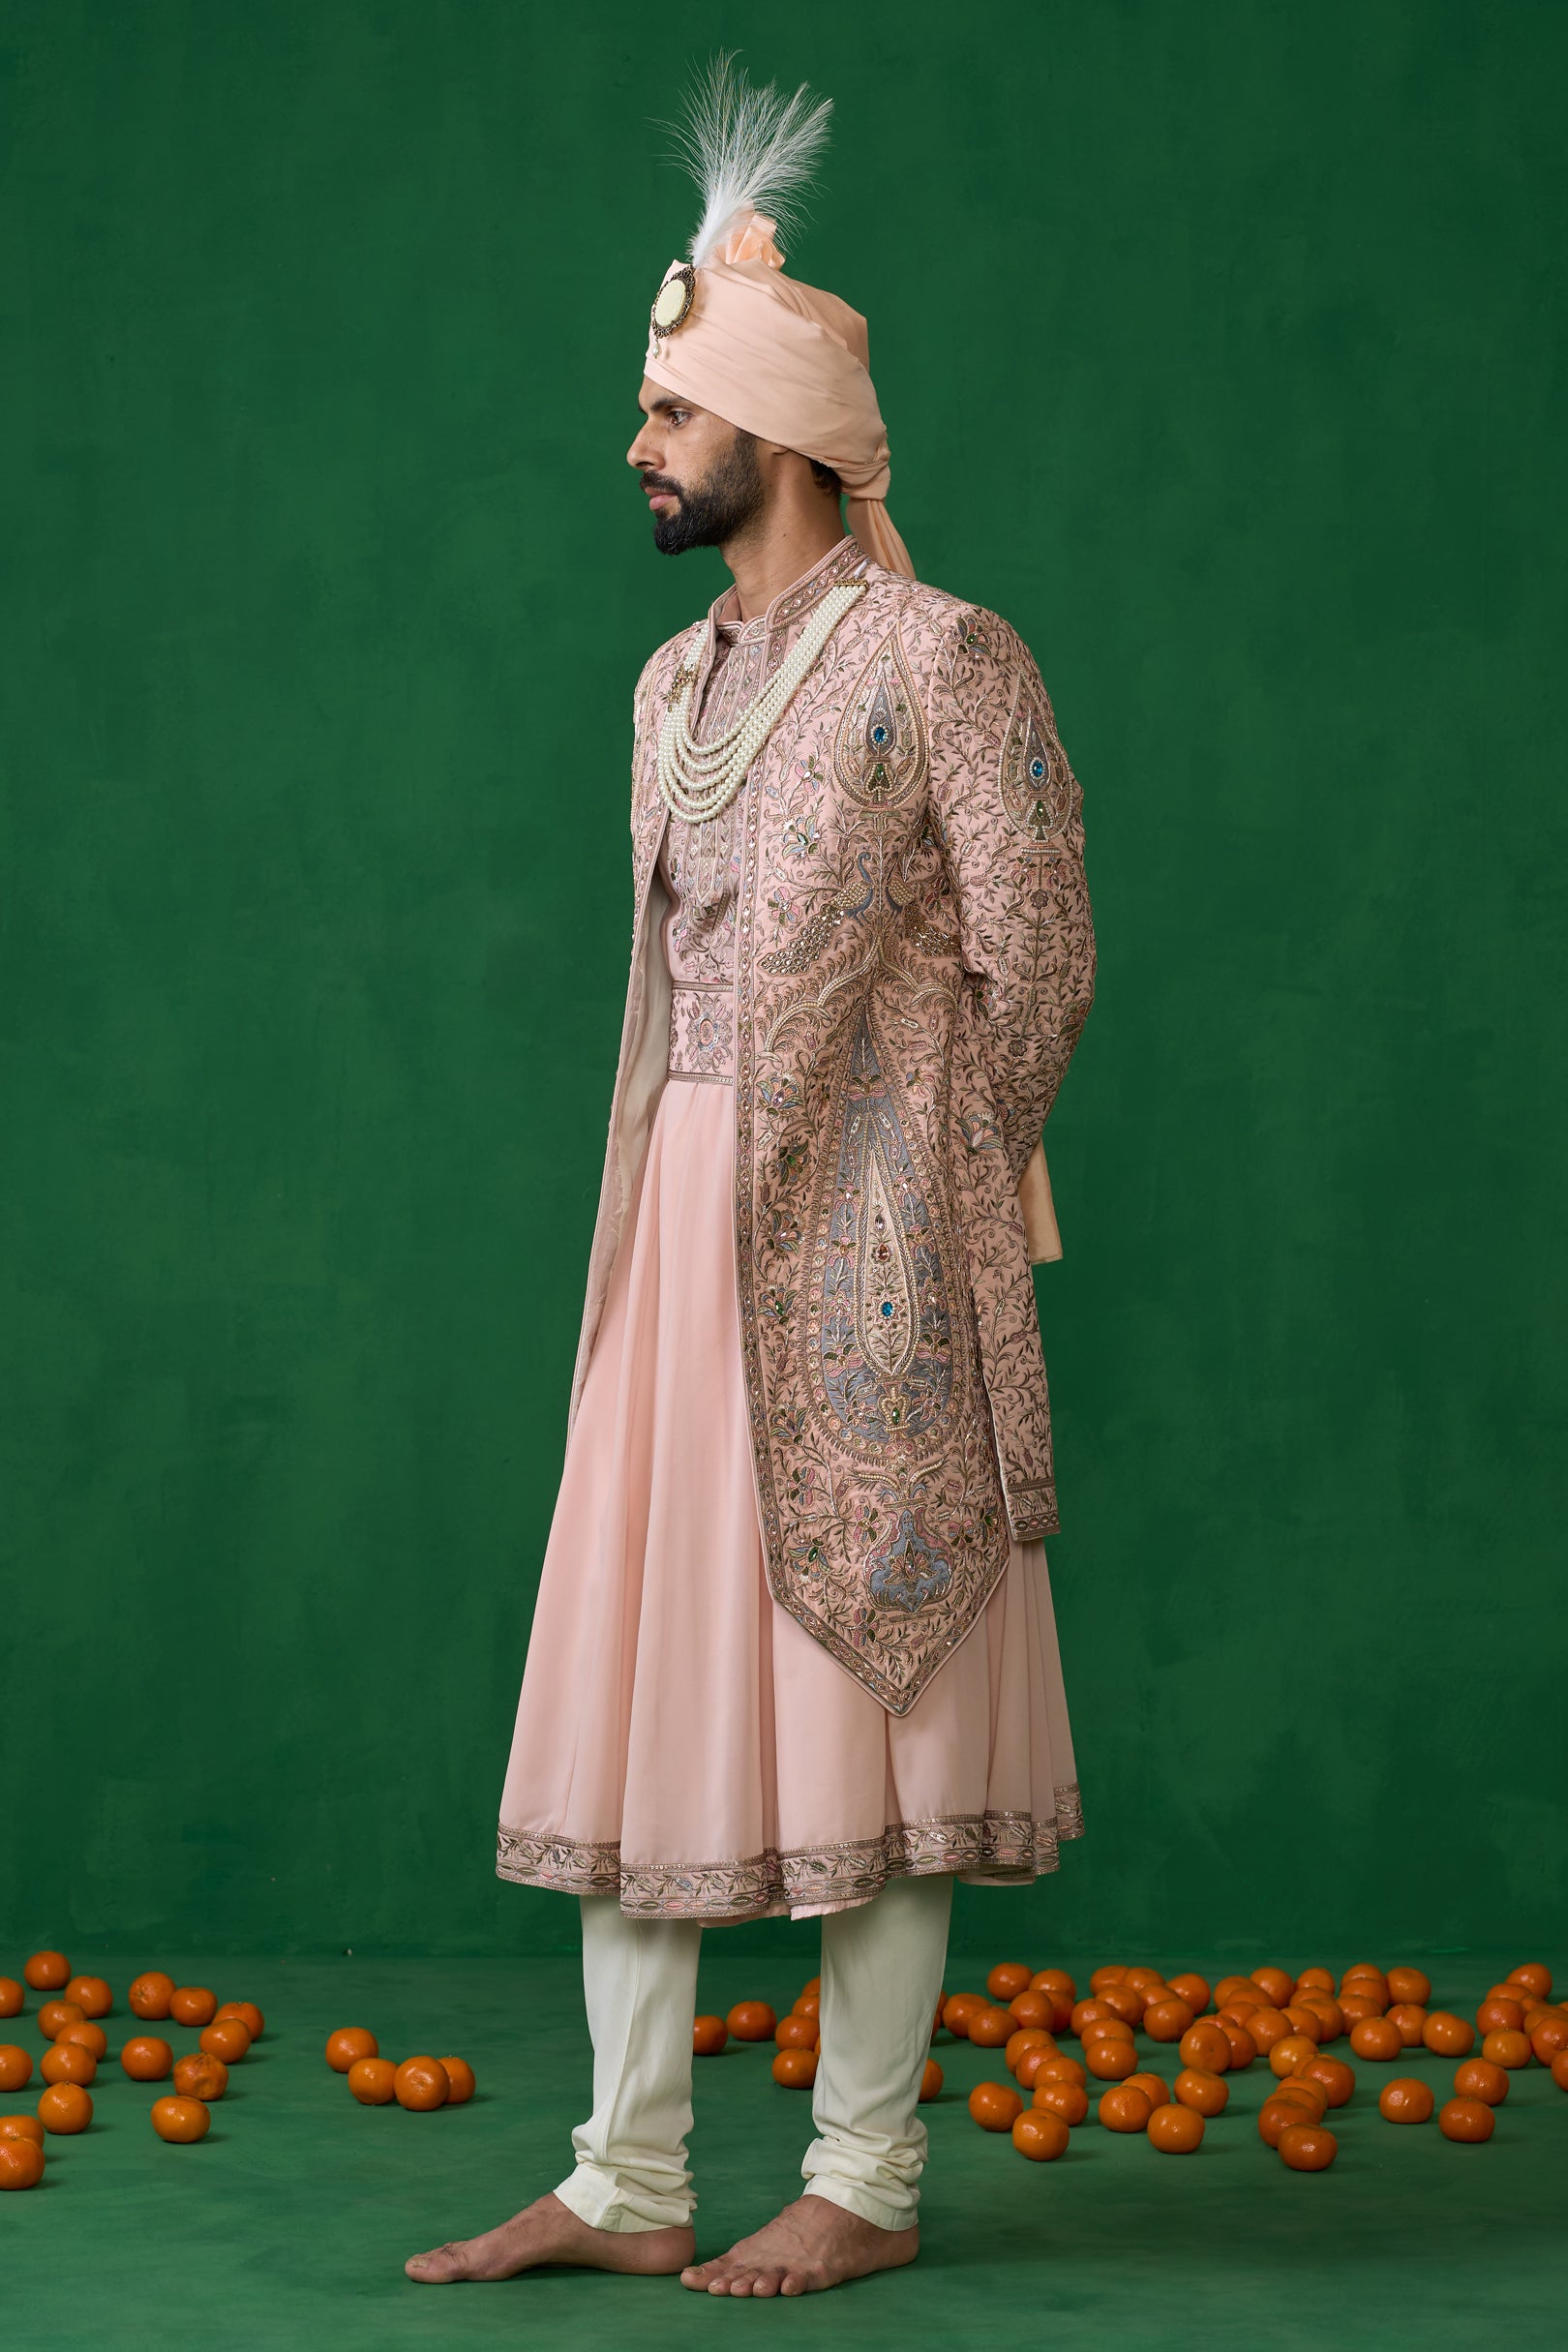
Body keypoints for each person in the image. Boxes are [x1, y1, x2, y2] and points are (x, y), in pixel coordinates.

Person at [406, 57, 1097, 2301]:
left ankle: (865, 2177)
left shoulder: (943, 658)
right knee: (644, 1678)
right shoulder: (661, 689)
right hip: (671, 1237)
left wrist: (920, 1192)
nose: (639, 446)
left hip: (871, 1249)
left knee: (874, 1695)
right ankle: (623, 2177)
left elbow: (1042, 954)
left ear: (781, 439)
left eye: (672, 413)